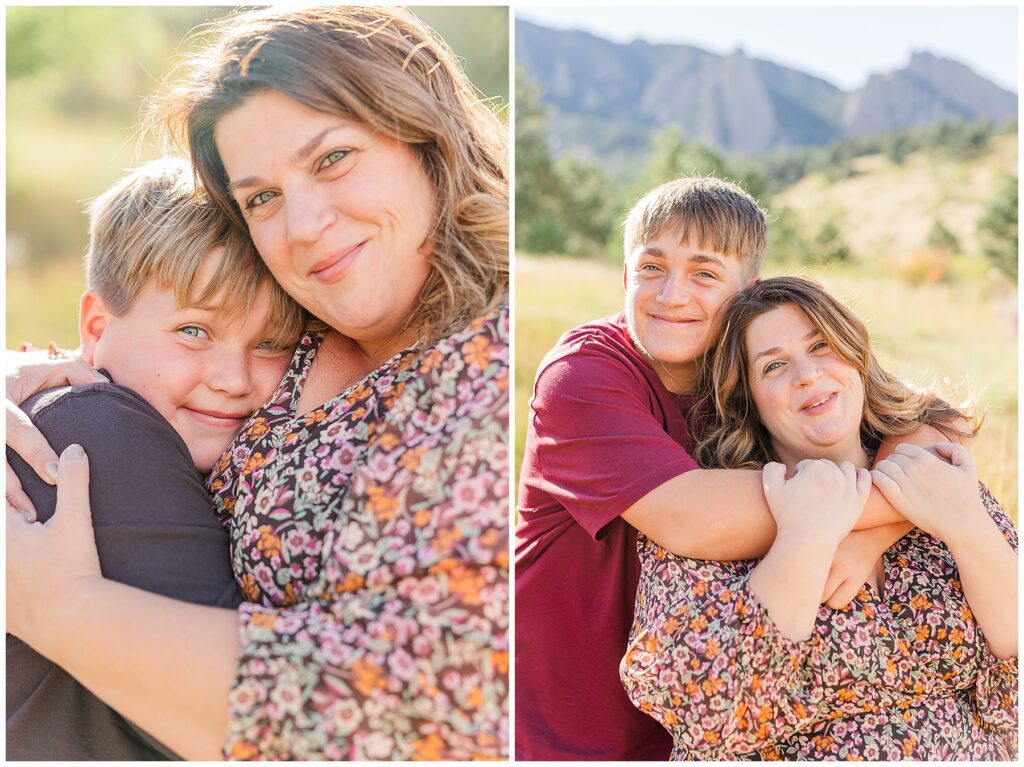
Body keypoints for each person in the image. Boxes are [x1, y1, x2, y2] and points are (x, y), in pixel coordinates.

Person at [7, 6, 509, 760]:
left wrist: (60, 608)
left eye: (333, 158)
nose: (303, 224)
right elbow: (157, 342)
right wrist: (34, 382)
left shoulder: (488, 364)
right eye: (261, 198)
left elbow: (414, 714)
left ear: (426, 140)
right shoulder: (306, 326)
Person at [514, 177, 970, 760]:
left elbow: (931, 422)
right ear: (625, 278)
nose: (672, 295)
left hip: (706, 728)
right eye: (652, 268)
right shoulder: (582, 377)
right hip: (567, 729)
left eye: (705, 273)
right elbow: (689, 518)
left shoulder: (759, 369)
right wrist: (894, 508)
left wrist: (875, 529)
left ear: (746, 293)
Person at [621, 276, 1017, 760]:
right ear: (749, 403)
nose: (806, 375)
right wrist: (804, 537)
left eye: (821, 346)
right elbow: (711, 717)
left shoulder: (934, 479)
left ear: (855, 357)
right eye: (774, 366)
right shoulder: (720, 526)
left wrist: (966, 524)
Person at [7, 158, 306, 760]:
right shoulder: (92, 437)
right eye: (194, 330)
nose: (233, 378)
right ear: (96, 326)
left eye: (272, 343)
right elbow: (257, 726)